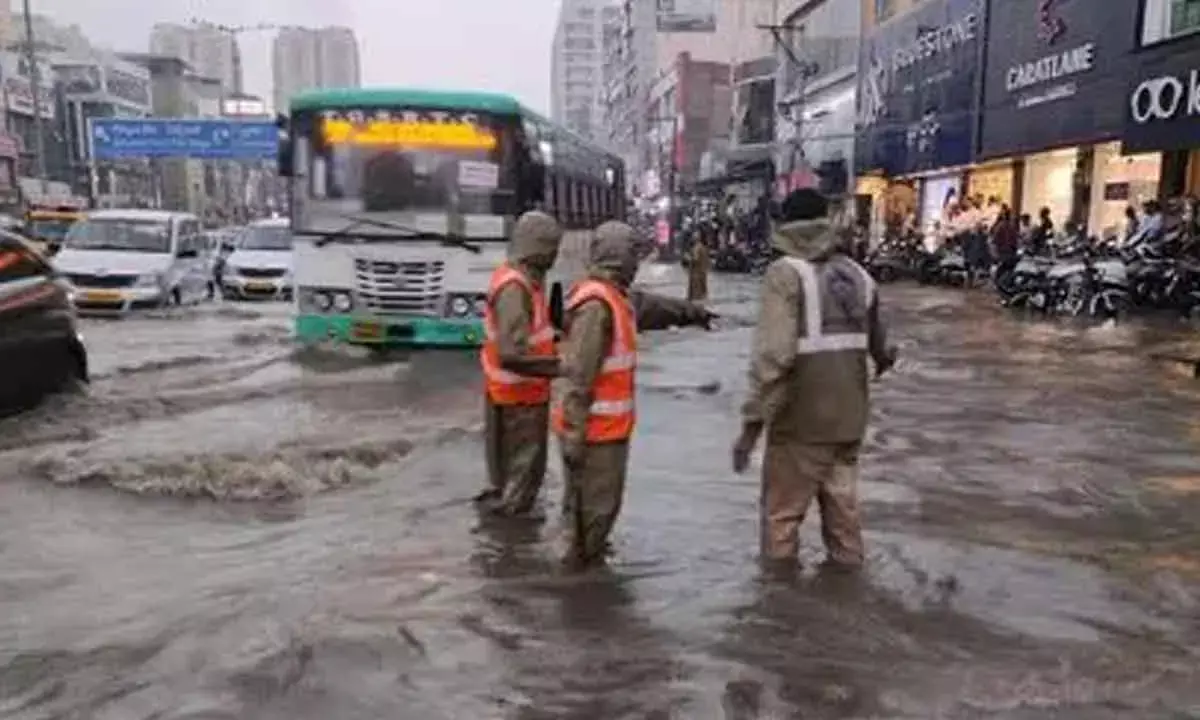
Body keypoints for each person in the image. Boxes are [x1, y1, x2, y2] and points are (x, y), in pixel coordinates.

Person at [732, 188, 895, 571]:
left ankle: (778, 614)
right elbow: (882, 349)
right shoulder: (859, 276)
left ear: (786, 226)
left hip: (800, 426)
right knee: (844, 526)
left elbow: (774, 357)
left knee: (781, 524)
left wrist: (751, 427)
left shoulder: (784, 274)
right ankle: (847, 603)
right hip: (849, 423)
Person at [552, 220, 642, 570]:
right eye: (633, 253)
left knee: (589, 511)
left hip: (603, 432)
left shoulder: (612, 297)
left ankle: (580, 570)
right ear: (620, 257)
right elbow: (578, 378)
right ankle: (577, 585)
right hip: (594, 434)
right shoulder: (597, 305)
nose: (638, 261)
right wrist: (574, 435)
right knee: (592, 514)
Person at [478, 210, 565, 517]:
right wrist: (560, 367)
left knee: (509, 481)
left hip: (509, 396)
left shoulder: (520, 281)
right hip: (520, 401)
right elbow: (512, 355)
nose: (555, 255)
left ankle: (500, 538)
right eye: (552, 247)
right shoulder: (516, 288)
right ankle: (508, 549)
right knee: (521, 484)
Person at [686, 235, 711, 302]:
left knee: (696, 287)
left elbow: (695, 259)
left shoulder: (696, 248)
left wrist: (688, 258)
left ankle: (696, 299)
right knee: (703, 285)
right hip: (703, 270)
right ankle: (703, 297)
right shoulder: (703, 247)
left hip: (696, 271)